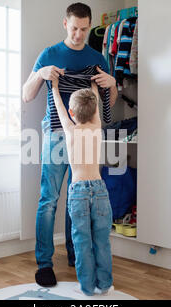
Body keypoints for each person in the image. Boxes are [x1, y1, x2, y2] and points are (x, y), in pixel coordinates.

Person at [22, 2, 118, 287]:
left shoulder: (97, 58)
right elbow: (27, 96)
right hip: (55, 133)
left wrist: (112, 83)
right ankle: (44, 264)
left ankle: (77, 256)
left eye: (84, 29)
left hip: (86, 135)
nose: (79, 34)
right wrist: (41, 75)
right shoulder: (49, 54)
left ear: (89, 27)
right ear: (65, 24)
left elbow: (106, 106)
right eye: (74, 28)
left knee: (78, 196)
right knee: (49, 199)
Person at [51, 78, 114, 296]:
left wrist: (55, 87)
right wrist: (94, 87)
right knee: (102, 240)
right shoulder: (97, 128)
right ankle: (105, 284)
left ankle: (86, 287)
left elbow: (59, 107)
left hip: (78, 191)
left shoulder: (70, 130)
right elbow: (93, 104)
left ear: (72, 113)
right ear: (94, 110)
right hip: (99, 190)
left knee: (82, 240)